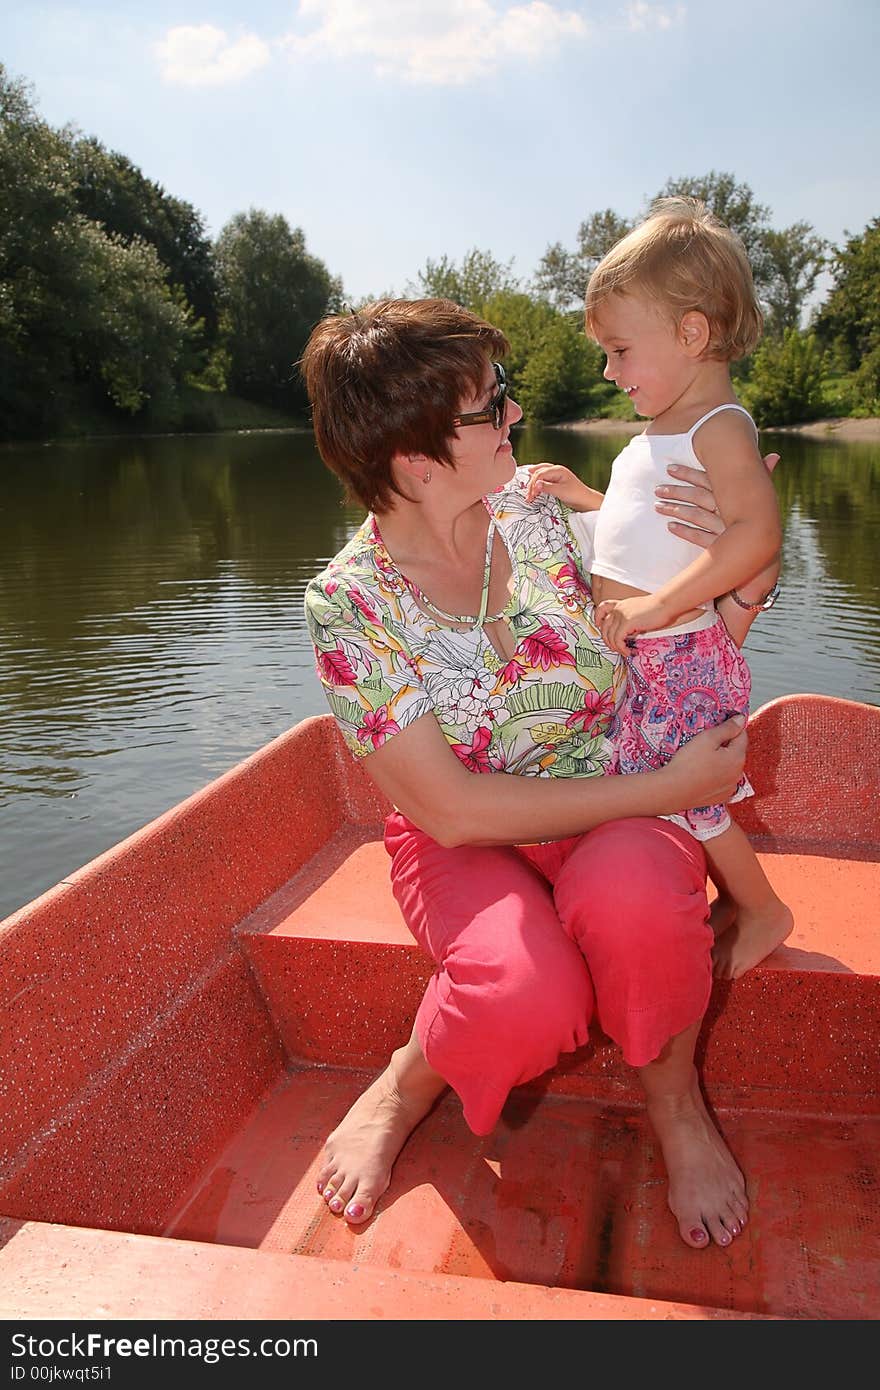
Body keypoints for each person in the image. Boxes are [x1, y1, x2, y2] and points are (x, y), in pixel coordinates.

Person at [301, 297, 778, 1252]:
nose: (517, 414)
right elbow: (452, 808)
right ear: (417, 457)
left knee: (640, 906)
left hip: (615, 790)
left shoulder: (544, 514)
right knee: (525, 996)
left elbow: (672, 619)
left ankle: (675, 1105)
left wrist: (736, 565)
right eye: (494, 404)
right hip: (467, 836)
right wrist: (669, 790)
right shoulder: (348, 604)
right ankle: (406, 1082)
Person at [527, 198, 792, 981]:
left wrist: (657, 608)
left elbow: (756, 533)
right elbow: (649, 533)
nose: (607, 371)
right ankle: (723, 898)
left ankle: (765, 907)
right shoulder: (663, 432)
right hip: (653, 650)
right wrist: (588, 500)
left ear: (691, 334)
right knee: (660, 784)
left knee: (686, 793)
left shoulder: (721, 427)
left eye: (618, 350)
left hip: (677, 649)